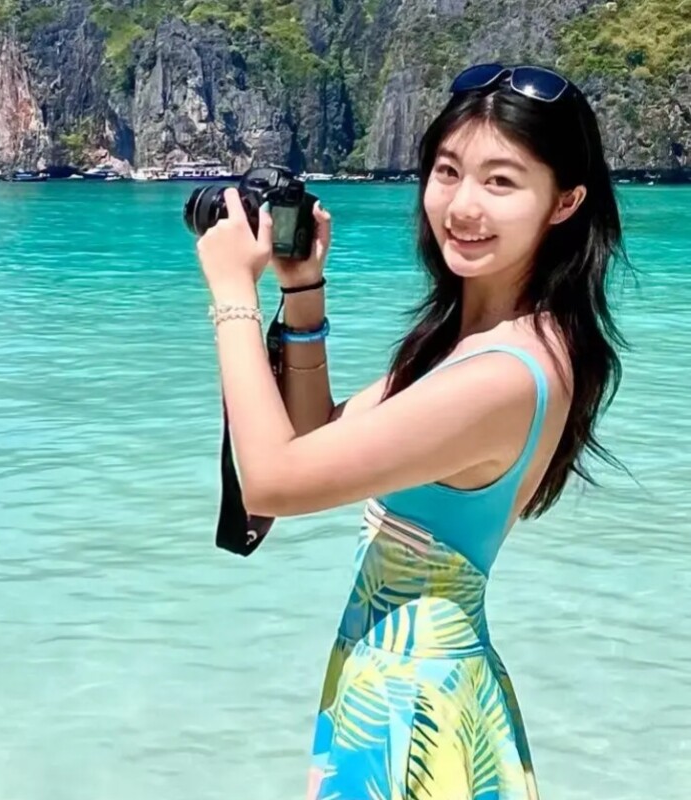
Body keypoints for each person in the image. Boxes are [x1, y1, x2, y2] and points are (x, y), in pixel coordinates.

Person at [194, 63, 628, 799]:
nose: (462, 205)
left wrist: (234, 293)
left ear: (565, 201)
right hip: (405, 679)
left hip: (416, 700)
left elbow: (270, 482)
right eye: (447, 172)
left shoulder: (504, 375)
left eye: (501, 181)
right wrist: (303, 294)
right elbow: (313, 440)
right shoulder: (469, 342)